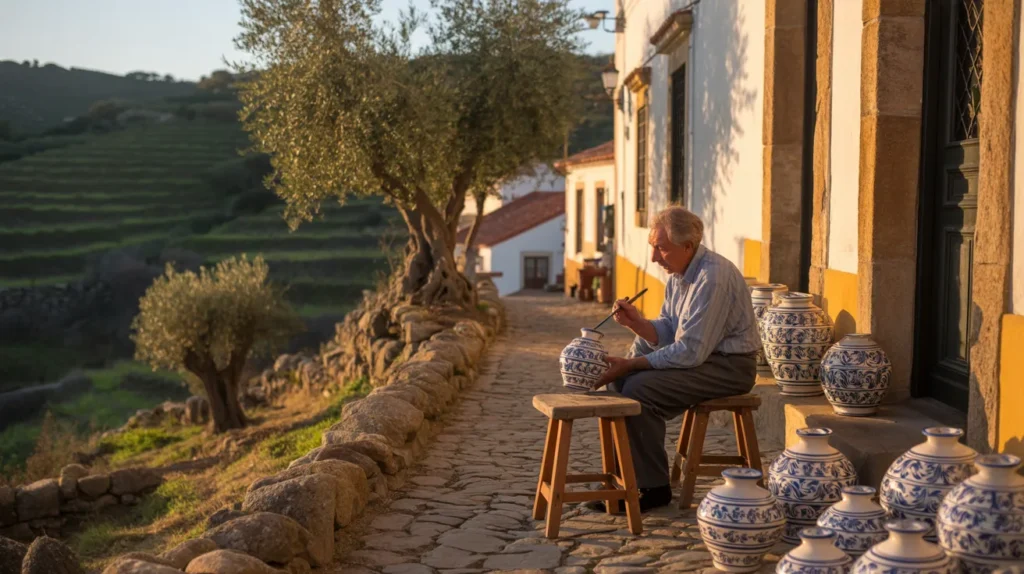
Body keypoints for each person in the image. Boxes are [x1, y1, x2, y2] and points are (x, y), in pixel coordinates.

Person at [593, 206, 761, 512]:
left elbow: (689, 351)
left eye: (661, 249)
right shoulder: (680, 273)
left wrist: (631, 364)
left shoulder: (712, 277)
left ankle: (653, 488)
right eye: (653, 248)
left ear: (688, 246)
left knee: (639, 390)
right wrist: (637, 324)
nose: (655, 258)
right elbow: (670, 330)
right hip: (704, 360)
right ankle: (624, 483)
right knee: (621, 384)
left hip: (730, 367)